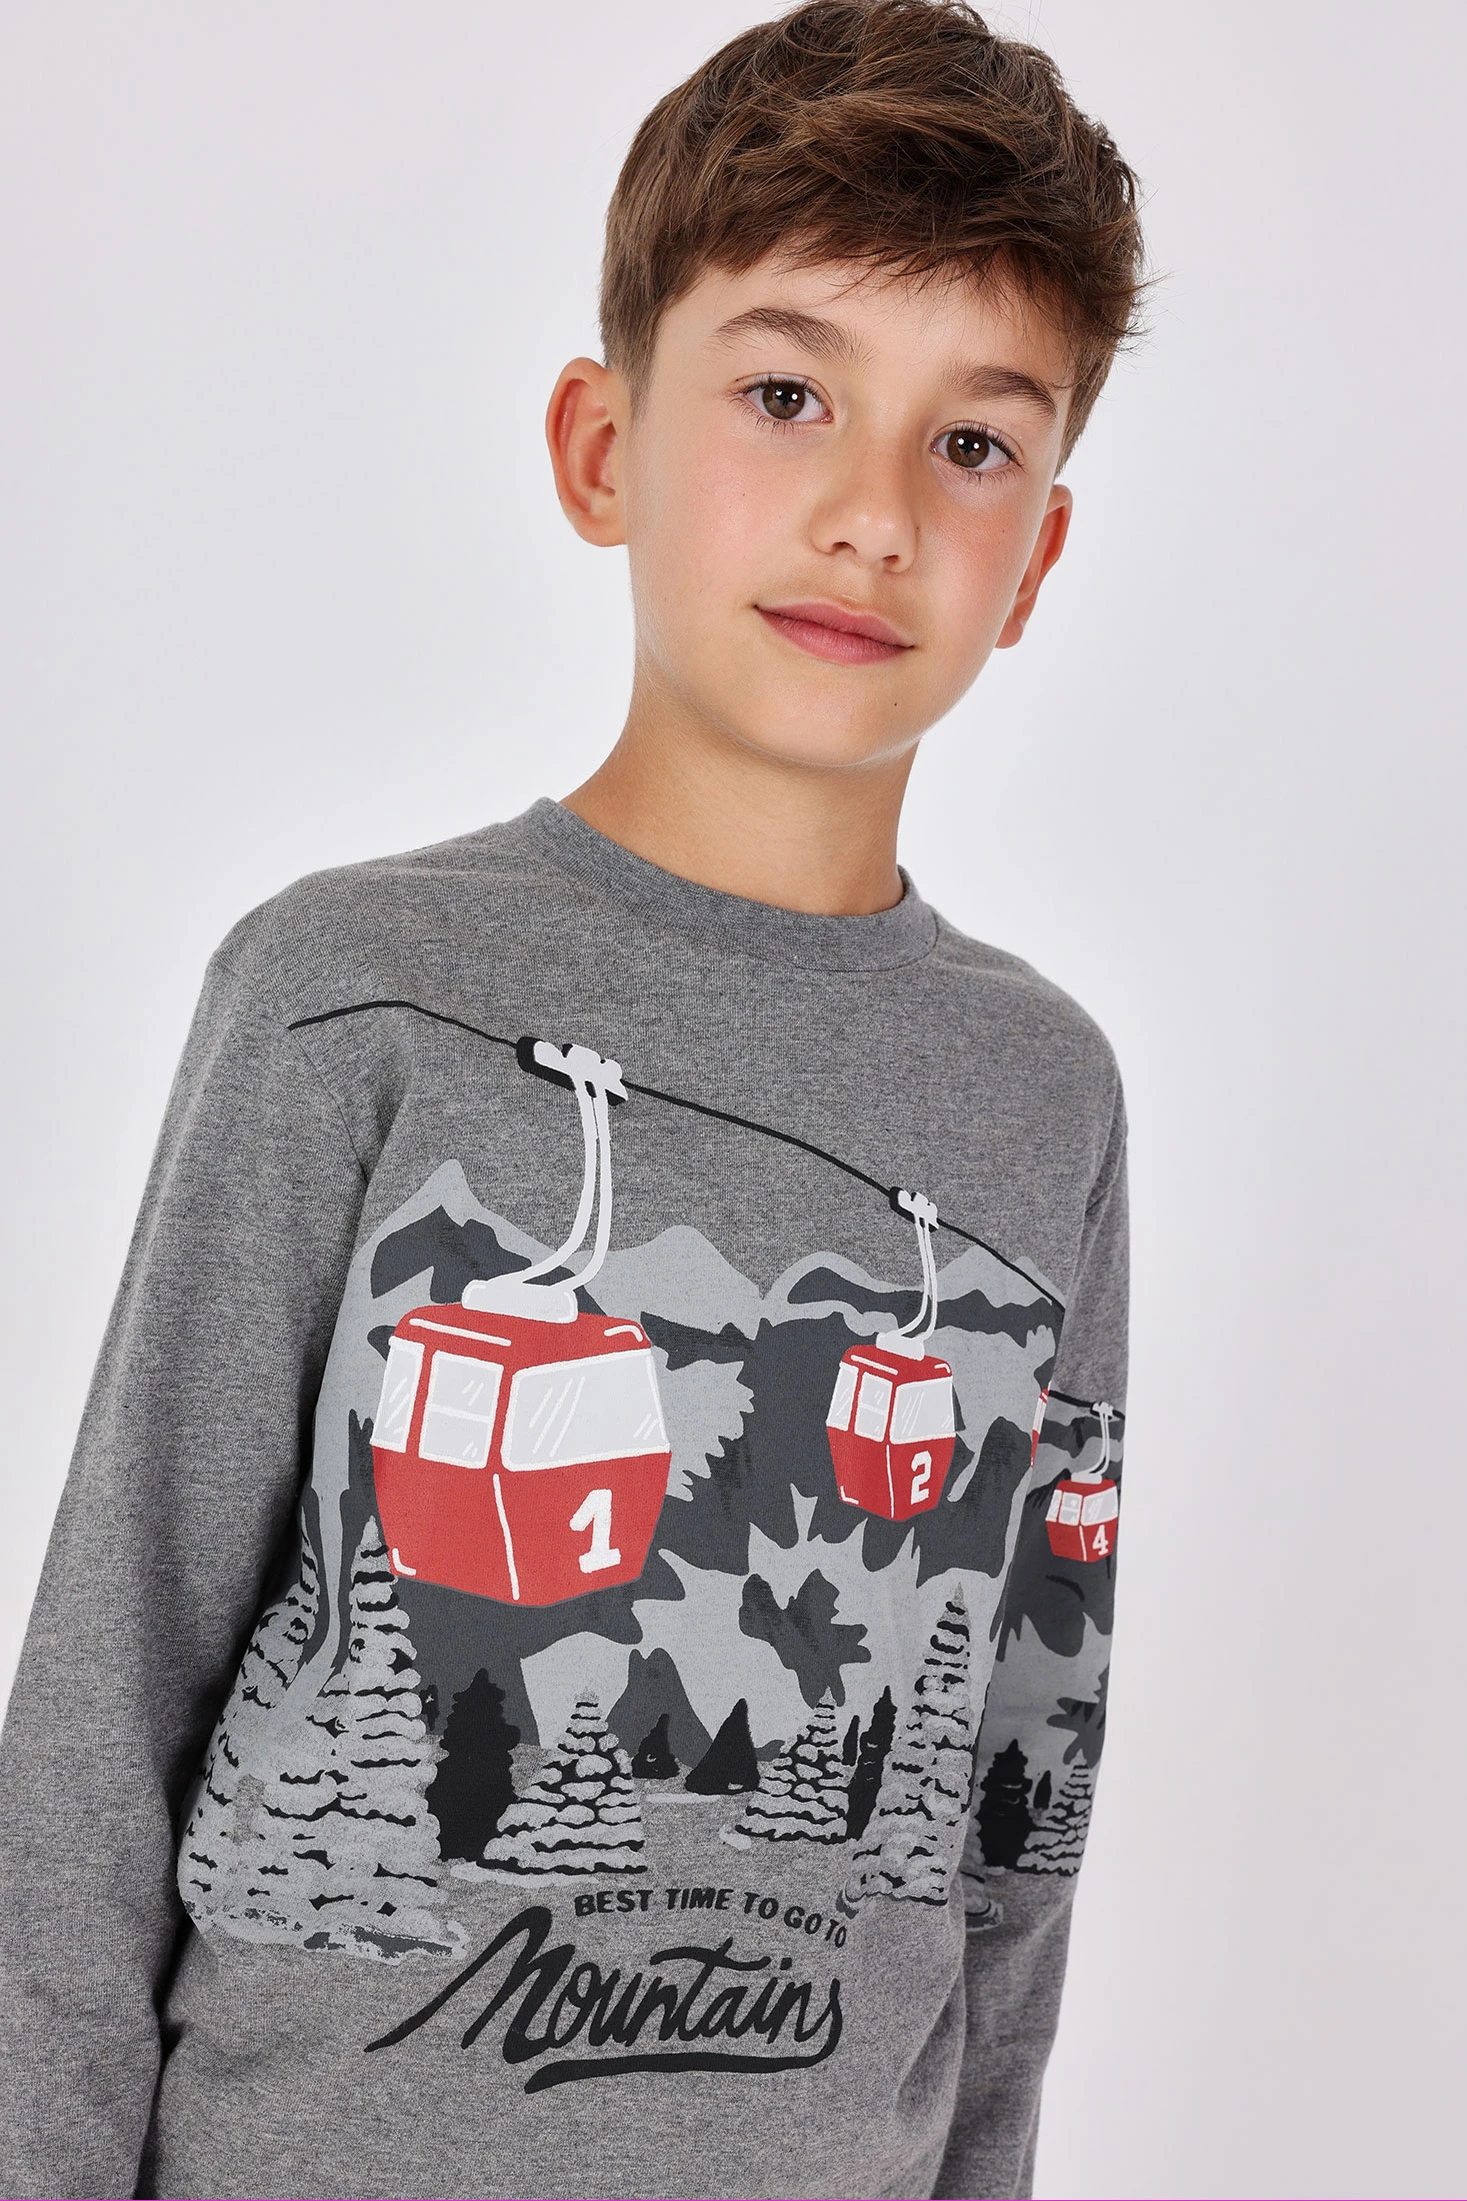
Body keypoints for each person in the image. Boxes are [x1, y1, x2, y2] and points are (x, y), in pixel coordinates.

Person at [0, 3, 1143, 2195]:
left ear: (1041, 558)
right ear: (601, 447)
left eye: (970, 444)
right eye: (787, 396)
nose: (872, 516)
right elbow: (105, 1699)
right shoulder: (353, 991)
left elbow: (1024, 1783)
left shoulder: (1040, 1089)